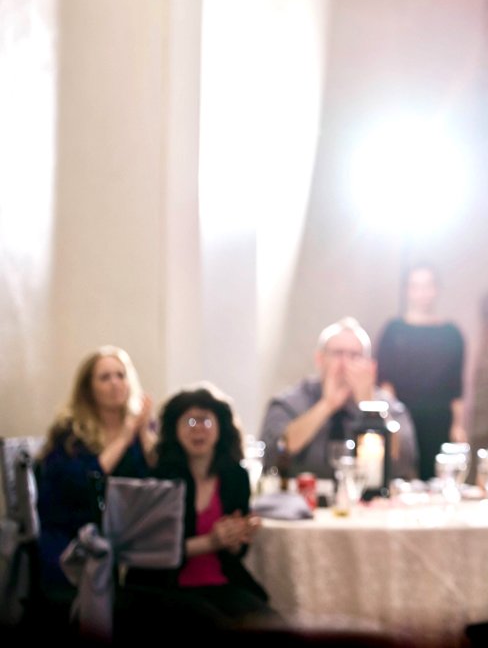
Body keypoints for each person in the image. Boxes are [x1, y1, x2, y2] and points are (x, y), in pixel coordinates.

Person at [122, 383, 281, 635]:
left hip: (221, 582)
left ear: (220, 429)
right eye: (190, 422)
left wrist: (237, 538)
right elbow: (152, 549)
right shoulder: (161, 477)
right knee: (214, 626)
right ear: (175, 428)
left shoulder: (235, 477)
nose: (198, 430)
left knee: (272, 623)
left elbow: (236, 553)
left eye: (206, 422)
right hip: (166, 587)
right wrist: (212, 541)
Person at [35, 346, 156, 600]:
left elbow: (156, 484)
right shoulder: (69, 433)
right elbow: (84, 484)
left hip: (127, 535)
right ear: (88, 387)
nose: (115, 384)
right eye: (105, 377)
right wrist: (125, 435)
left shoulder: (141, 427)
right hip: (73, 534)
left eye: (120, 375)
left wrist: (144, 434)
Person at [260, 317, 419, 481]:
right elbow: (273, 453)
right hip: (302, 500)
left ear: (369, 365)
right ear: (320, 359)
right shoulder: (291, 401)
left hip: (368, 502)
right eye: (337, 354)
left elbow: (404, 462)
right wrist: (327, 405)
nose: (345, 363)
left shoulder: (388, 407)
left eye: (354, 355)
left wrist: (370, 406)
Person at [374, 263, 467, 480]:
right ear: (408, 291)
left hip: (438, 420)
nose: (422, 293)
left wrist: (458, 427)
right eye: (416, 286)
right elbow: (385, 382)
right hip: (402, 417)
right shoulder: (393, 331)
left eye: (427, 286)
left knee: (434, 480)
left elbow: (456, 386)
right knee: (400, 476)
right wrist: (391, 420)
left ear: (436, 290)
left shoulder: (451, 334)